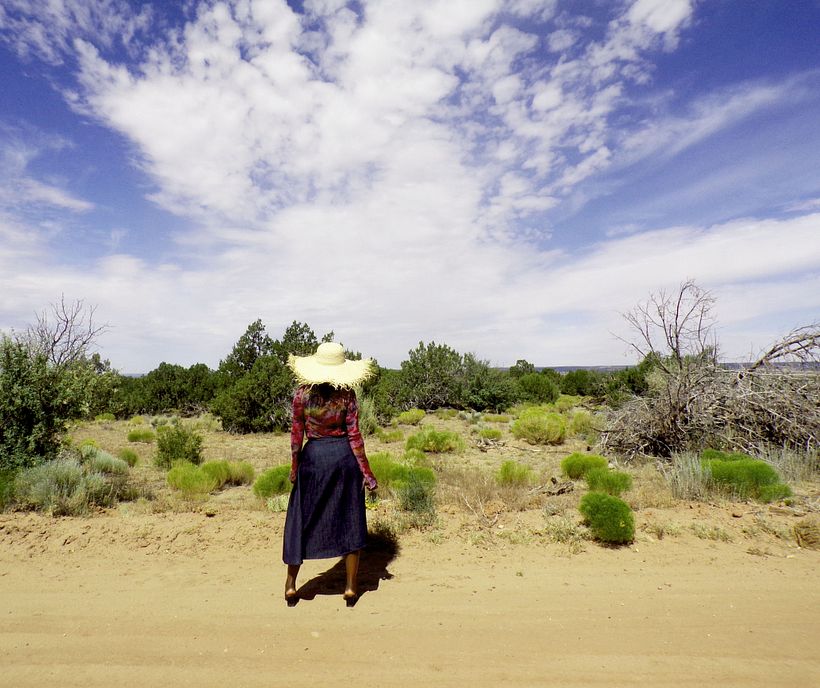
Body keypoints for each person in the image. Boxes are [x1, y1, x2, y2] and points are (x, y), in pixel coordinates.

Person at [282, 342, 378, 606]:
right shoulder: (347, 396)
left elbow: (296, 436)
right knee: (350, 519)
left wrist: (294, 467)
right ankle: (350, 587)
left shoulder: (302, 395)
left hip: (313, 460)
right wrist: (367, 473)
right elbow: (355, 436)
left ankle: (291, 585)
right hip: (343, 460)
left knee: (300, 519)